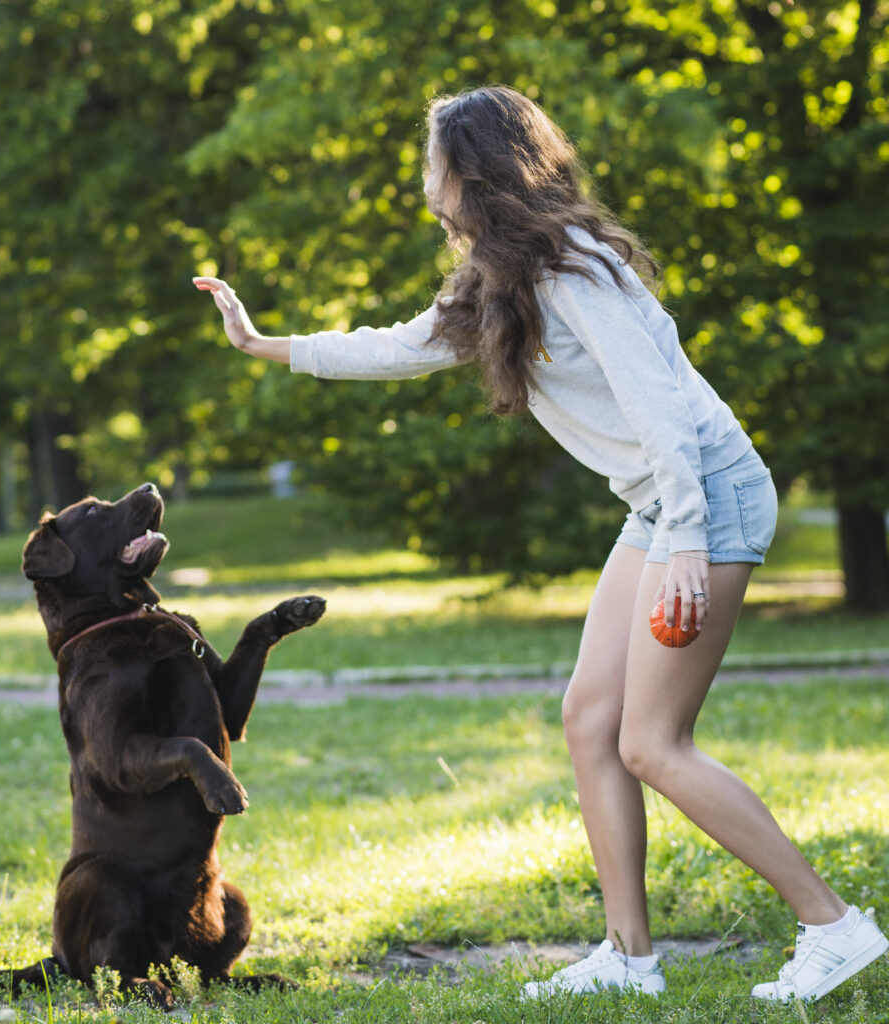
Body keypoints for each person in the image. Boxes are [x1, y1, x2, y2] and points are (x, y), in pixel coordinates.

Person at [194, 84, 887, 1003]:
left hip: (702, 502)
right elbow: (402, 347)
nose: (424, 180)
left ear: (474, 169)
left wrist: (686, 540)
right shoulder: (499, 276)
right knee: (588, 721)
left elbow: (662, 409)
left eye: (432, 161)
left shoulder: (574, 269)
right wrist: (265, 344)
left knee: (652, 743)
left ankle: (835, 926)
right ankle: (630, 959)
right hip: (663, 509)